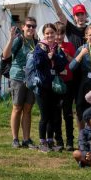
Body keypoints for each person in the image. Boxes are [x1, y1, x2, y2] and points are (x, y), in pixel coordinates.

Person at [2, 16, 38, 149]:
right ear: (23, 27)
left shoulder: (36, 42)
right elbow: (5, 56)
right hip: (17, 77)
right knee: (17, 108)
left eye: (33, 26)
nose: (31, 28)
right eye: (28, 25)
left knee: (28, 109)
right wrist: (11, 38)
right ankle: (15, 139)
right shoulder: (19, 40)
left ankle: (26, 139)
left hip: (31, 79)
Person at [32, 23, 68, 152]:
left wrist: (55, 57)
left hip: (54, 86)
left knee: (53, 115)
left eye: (52, 33)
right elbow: (37, 63)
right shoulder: (40, 47)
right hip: (42, 86)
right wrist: (47, 58)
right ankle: (42, 142)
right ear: (44, 34)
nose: (50, 35)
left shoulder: (57, 48)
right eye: (47, 33)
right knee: (44, 116)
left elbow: (63, 63)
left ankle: (50, 141)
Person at [70, 24, 91, 132]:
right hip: (85, 83)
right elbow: (71, 67)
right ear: (86, 36)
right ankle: (82, 135)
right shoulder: (82, 49)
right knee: (80, 110)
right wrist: (81, 55)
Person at [54, 21, 77, 151]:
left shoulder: (69, 45)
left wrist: (66, 54)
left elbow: (74, 62)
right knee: (56, 112)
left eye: (61, 34)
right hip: (56, 83)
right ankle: (59, 140)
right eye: (56, 34)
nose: (58, 37)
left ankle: (69, 140)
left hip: (68, 82)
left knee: (67, 112)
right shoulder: (50, 46)